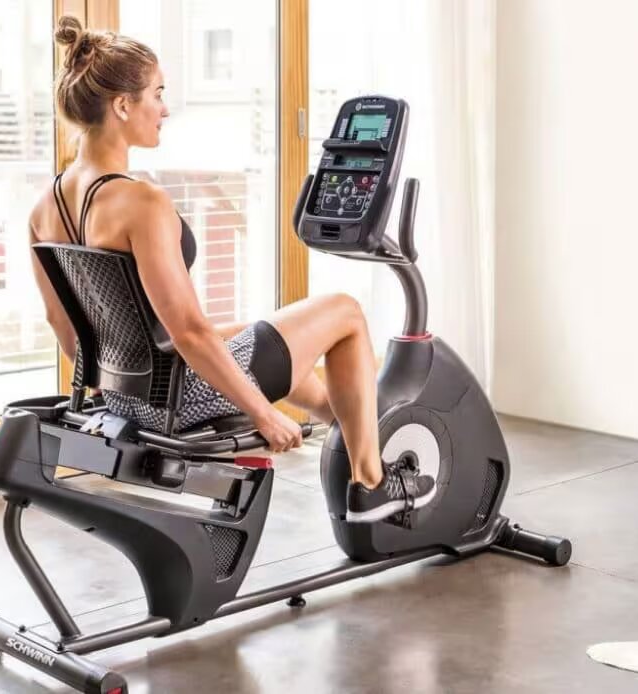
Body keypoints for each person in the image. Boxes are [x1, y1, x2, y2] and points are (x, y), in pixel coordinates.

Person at [29, 16, 434, 525]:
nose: (165, 108)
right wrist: (266, 416)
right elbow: (191, 332)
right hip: (177, 398)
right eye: (157, 94)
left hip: (122, 397)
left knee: (251, 331)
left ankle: (347, 424)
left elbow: (65, 333)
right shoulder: (140, 201)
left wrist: (123, 385)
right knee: (346, 311)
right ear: (123, 105)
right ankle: (370, 485)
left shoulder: (46, 206)